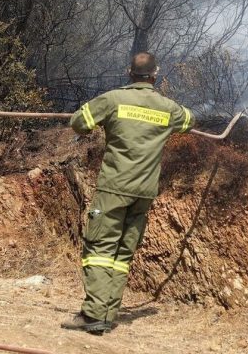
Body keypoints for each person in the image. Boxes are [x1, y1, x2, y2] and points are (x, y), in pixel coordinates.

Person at [61, 52, 196, 334]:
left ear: (129, 73)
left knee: (99, 250)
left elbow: (78, 122)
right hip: (144, 192)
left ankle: (93, 315)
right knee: (122, 253)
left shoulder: (113, 99)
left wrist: (104, 120)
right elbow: (189, 121)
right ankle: (107, 313)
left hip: (114, 188)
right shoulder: (167, 107)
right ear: (155, 76)